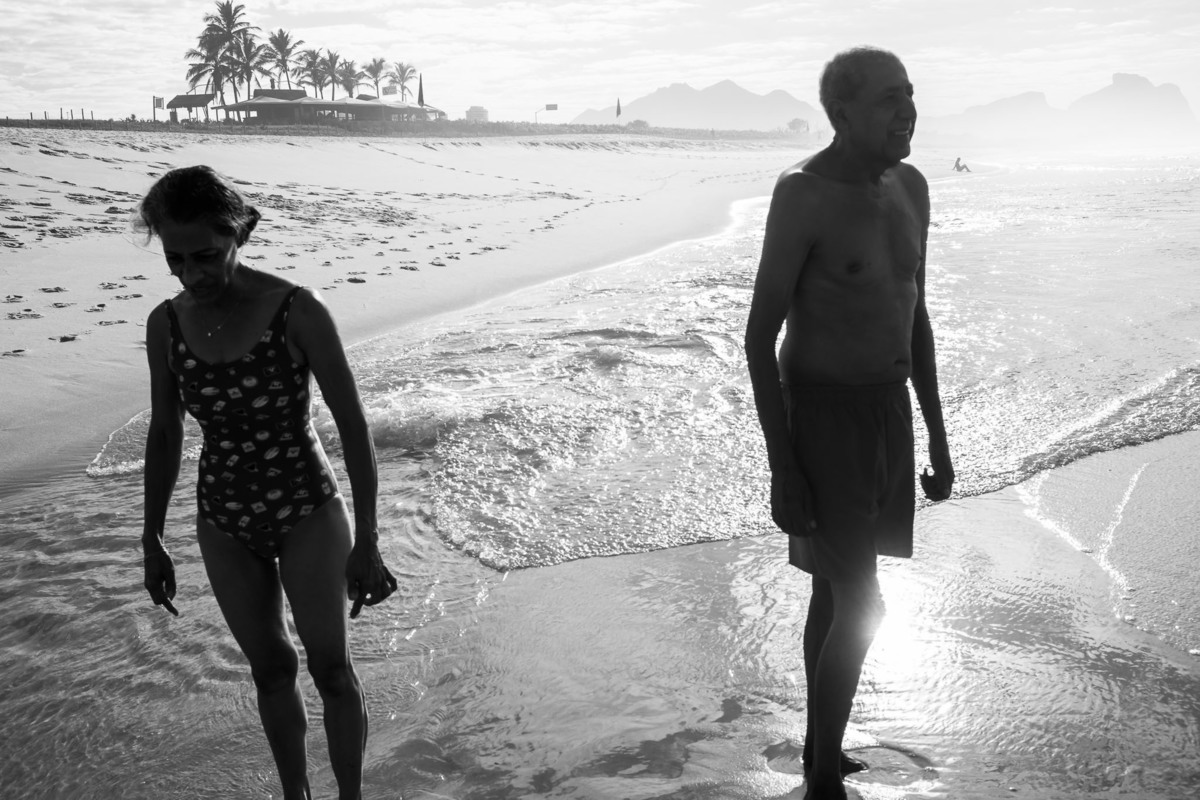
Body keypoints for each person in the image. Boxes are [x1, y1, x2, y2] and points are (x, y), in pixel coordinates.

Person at [138, 165, 397, 800]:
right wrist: (151, 537)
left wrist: (369, 541)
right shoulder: (164, 326)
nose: (191, 274)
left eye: (206, 256)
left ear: (238, 235)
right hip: (223, 517)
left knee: (332, 671)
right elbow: (166, 433)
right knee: (271, 670)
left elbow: (354, 427)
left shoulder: (297, 310)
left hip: (307, 505)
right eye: (175, 259)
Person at [744, 47, 954, 800]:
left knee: (834, 593)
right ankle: (825, 775)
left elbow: (913, 312)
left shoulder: (912, 187)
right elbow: (758, 335)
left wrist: (936, 432)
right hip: (823, 418)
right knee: (863, 601)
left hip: (888, 413)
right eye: (889, 100)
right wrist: (783, 466)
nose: (908, 111)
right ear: (841, 115)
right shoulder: (803, 194)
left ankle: (815, 746)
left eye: (910, 95)